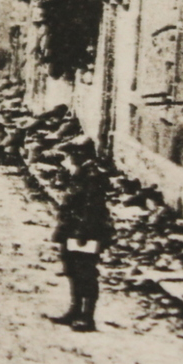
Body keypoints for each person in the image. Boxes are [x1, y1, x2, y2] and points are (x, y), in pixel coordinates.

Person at [47, 137, 114, 332]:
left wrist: (82, 233)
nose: (70, 159)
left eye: (71, 155)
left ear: (80, 154)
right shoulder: (81, 172)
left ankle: (87, 316)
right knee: (72, 270)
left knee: (86, 272)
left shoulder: (93, 175)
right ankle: (75, 310)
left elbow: (92, 209)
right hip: (73, 229)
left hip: (87, 232)